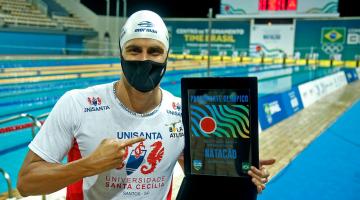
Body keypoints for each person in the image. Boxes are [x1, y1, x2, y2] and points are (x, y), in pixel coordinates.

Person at [17, 10, 275, 199]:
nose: (144, 59)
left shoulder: (183, 112)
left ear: (166, 56)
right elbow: (27, 183)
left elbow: (203, 176)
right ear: (121, 53)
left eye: (154, 51)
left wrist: (241, 170)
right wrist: (89, 165)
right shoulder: (78, 104)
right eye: (134, 50)